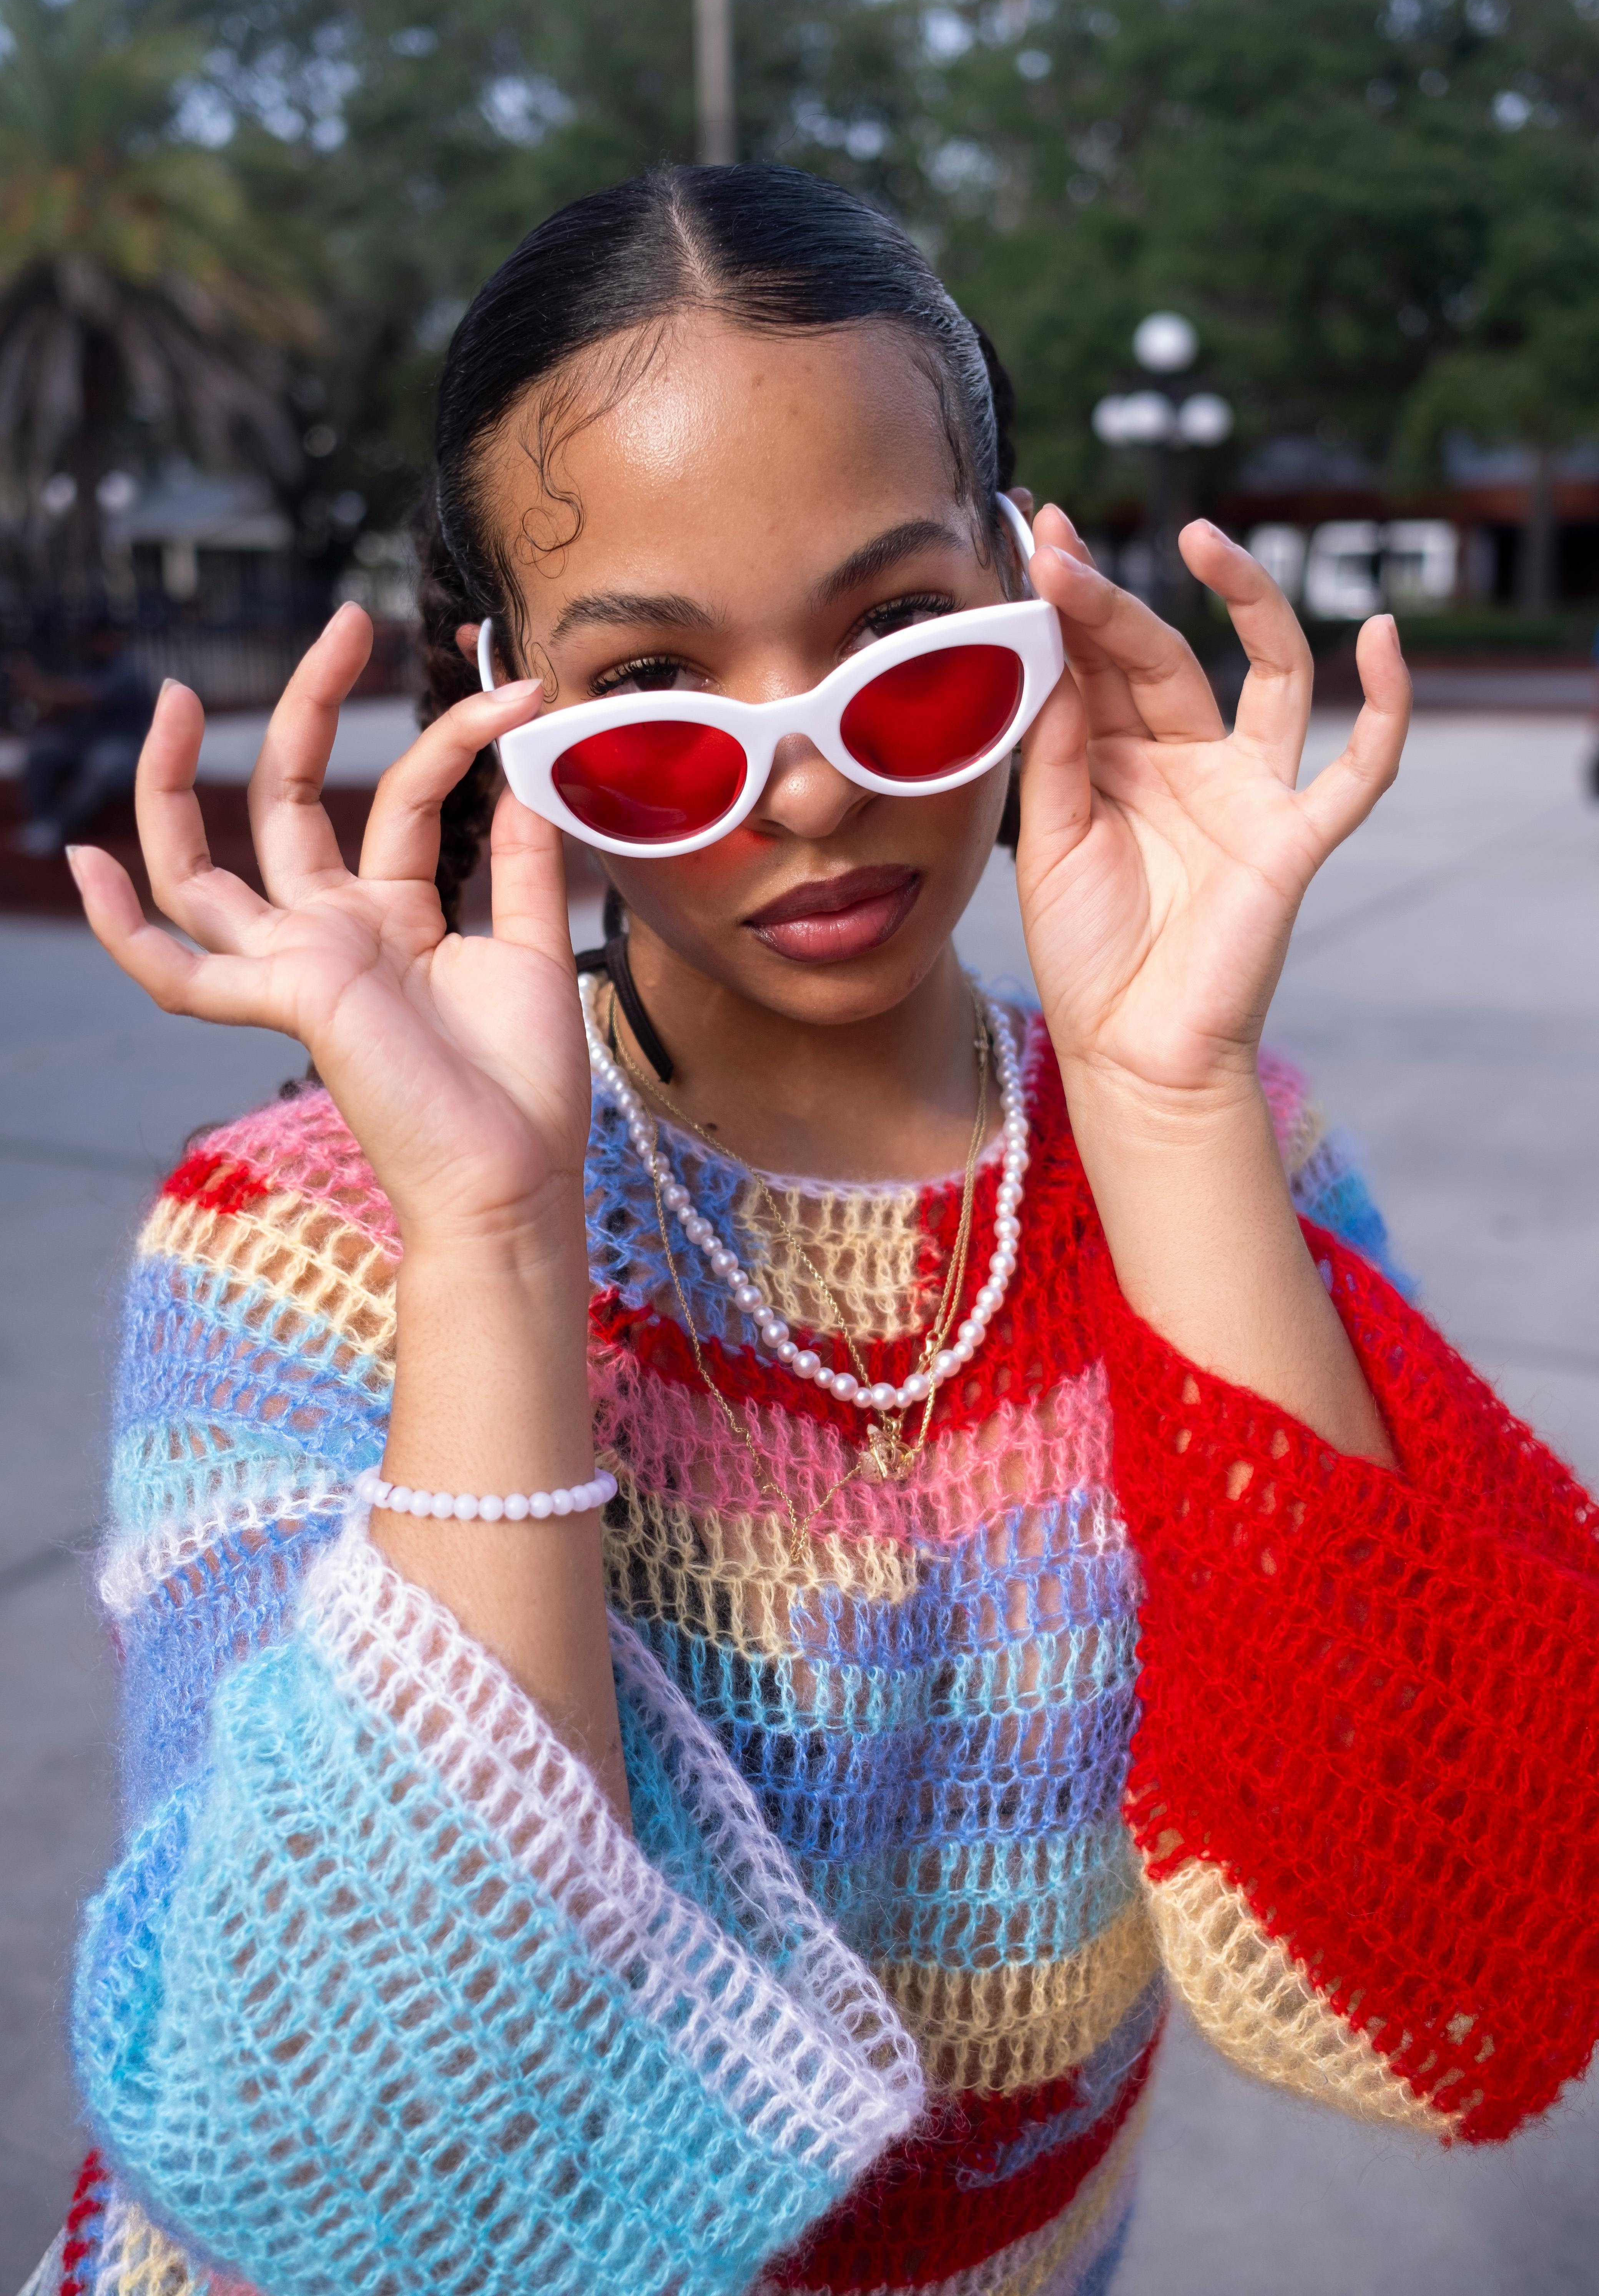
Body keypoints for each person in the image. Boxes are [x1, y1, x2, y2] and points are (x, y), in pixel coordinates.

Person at [41, 168, 1599, 2296]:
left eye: (899, 649)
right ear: (513, 711)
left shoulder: (1238, 1169)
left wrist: (1158, 1109)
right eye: (658, 696)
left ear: (1028, 585)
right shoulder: (310, 1240)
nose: (804, 791)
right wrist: (493, 1244)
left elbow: (1430, 1990)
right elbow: (353, 2195)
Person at [10, 619, 155, 858]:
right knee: (43, 751)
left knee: (104, 764)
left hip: (126, 749)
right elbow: (59, 710)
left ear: (109, 639)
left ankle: (59, 827)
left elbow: (88, 696)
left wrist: (38, 685)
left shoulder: (127, 671)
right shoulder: (85, 667)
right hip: (85, 744)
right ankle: (41, 823)